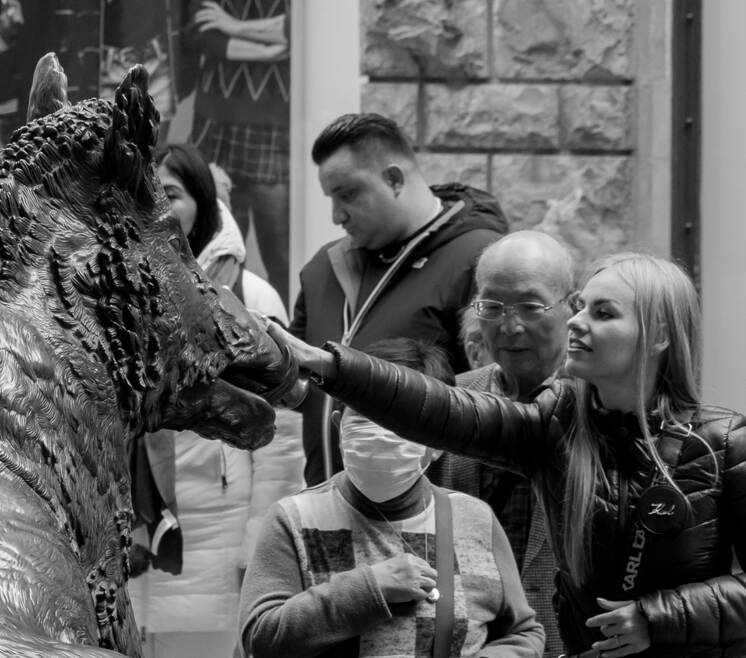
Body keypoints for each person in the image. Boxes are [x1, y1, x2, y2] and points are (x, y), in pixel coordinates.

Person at [274, 252, 746, 657]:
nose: (576, 322)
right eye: (579, 307)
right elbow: (442, 410)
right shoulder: (556, 423)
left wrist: (656, 618)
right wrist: (329, 366)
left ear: (659, 335)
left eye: (603, 313)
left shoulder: (724, 443)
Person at [239, 338, 543, 657]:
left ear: (440, 440)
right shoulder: (294, 519)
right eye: (365, 414)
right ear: (338, 426)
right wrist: (370, 589)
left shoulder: (475, 519)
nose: (381, 430)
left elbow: (522, 633)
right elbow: (260, 639)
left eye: (401, 420)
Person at [128, 143, 304, 658]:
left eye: (173, 193)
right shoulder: (116, 292)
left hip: (219, 531)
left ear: (202, 203)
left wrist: (261, 539)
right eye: (148, 191)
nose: (158, 203)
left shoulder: (250, 297)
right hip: (135, 533)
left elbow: (282, 436)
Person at [290, 112, 508, 487]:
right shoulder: (323, 268)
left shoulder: (479, 259)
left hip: (421, 518)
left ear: (393, 179)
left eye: (347, 194)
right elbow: (295, 382)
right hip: (322, 509)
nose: (336, 214)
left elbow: (493, 401)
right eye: (330, 198)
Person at [427, 230, 575, 657]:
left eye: (531, 306)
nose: (510, 327)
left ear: (572, 306)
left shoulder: (603, 409)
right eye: (492, 307)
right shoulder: (451, 402)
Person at [186, 0, 292, 302]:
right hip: (217, 123)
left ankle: (287, 337)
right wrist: (271, 50)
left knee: (283, 253)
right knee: (216, 252)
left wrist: (233, 26)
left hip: (273, 124)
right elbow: (202, 35)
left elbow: (296, 33)